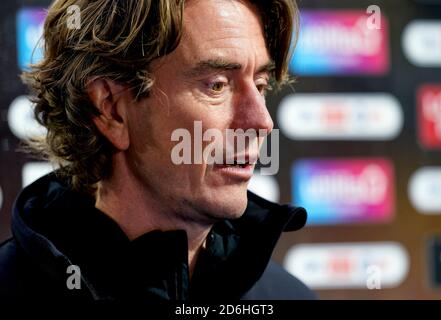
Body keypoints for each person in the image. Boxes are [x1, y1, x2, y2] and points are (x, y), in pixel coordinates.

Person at [0, 0, 315, 300]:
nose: (261, 121)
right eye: (217, 84)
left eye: (259, 85)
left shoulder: (289, 295)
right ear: (111, 110)